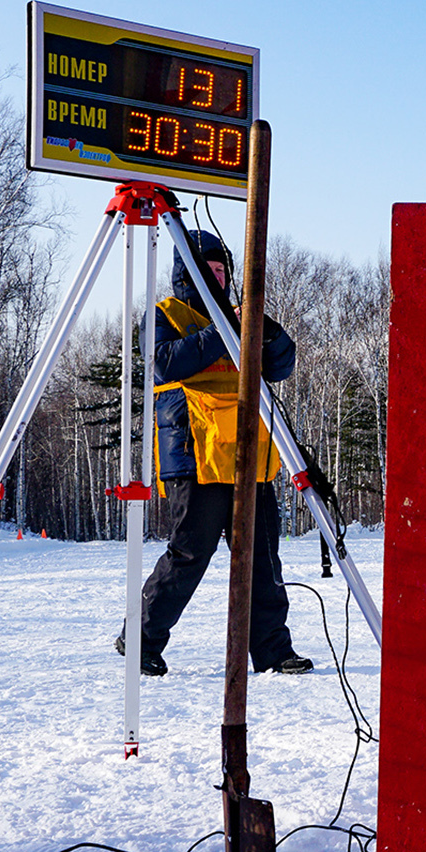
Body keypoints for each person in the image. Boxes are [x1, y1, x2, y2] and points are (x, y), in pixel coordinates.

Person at [114, 229, 312, 677]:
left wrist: (266, 329)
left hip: (250, 455)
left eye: (223, 270)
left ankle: (273, 650)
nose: (218, 278)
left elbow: (281, 364)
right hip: (194, 455)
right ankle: (141, 638)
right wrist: (227, 331)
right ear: (188, 274)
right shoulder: (164, 314)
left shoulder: (241, 317)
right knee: (188, 554)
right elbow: (165, 362)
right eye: (210, 270)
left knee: (263, 558)